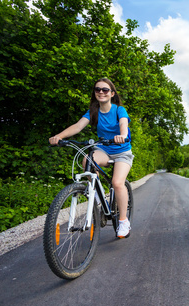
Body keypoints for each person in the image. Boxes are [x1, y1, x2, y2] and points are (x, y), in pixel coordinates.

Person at [49, 78, 134, 238]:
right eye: (97, 89)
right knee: (87, 160)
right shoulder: (93, 111)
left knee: (117, 183)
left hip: (122, 150)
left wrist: (122, 135)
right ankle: (95, 195)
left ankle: (123, 221)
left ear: (112, 93)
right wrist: (58, 137)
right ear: (95, 93)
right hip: (104, 149)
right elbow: (77, 126)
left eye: (105, 90)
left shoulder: (118, 110)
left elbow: (124, 125)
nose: (101, 92)